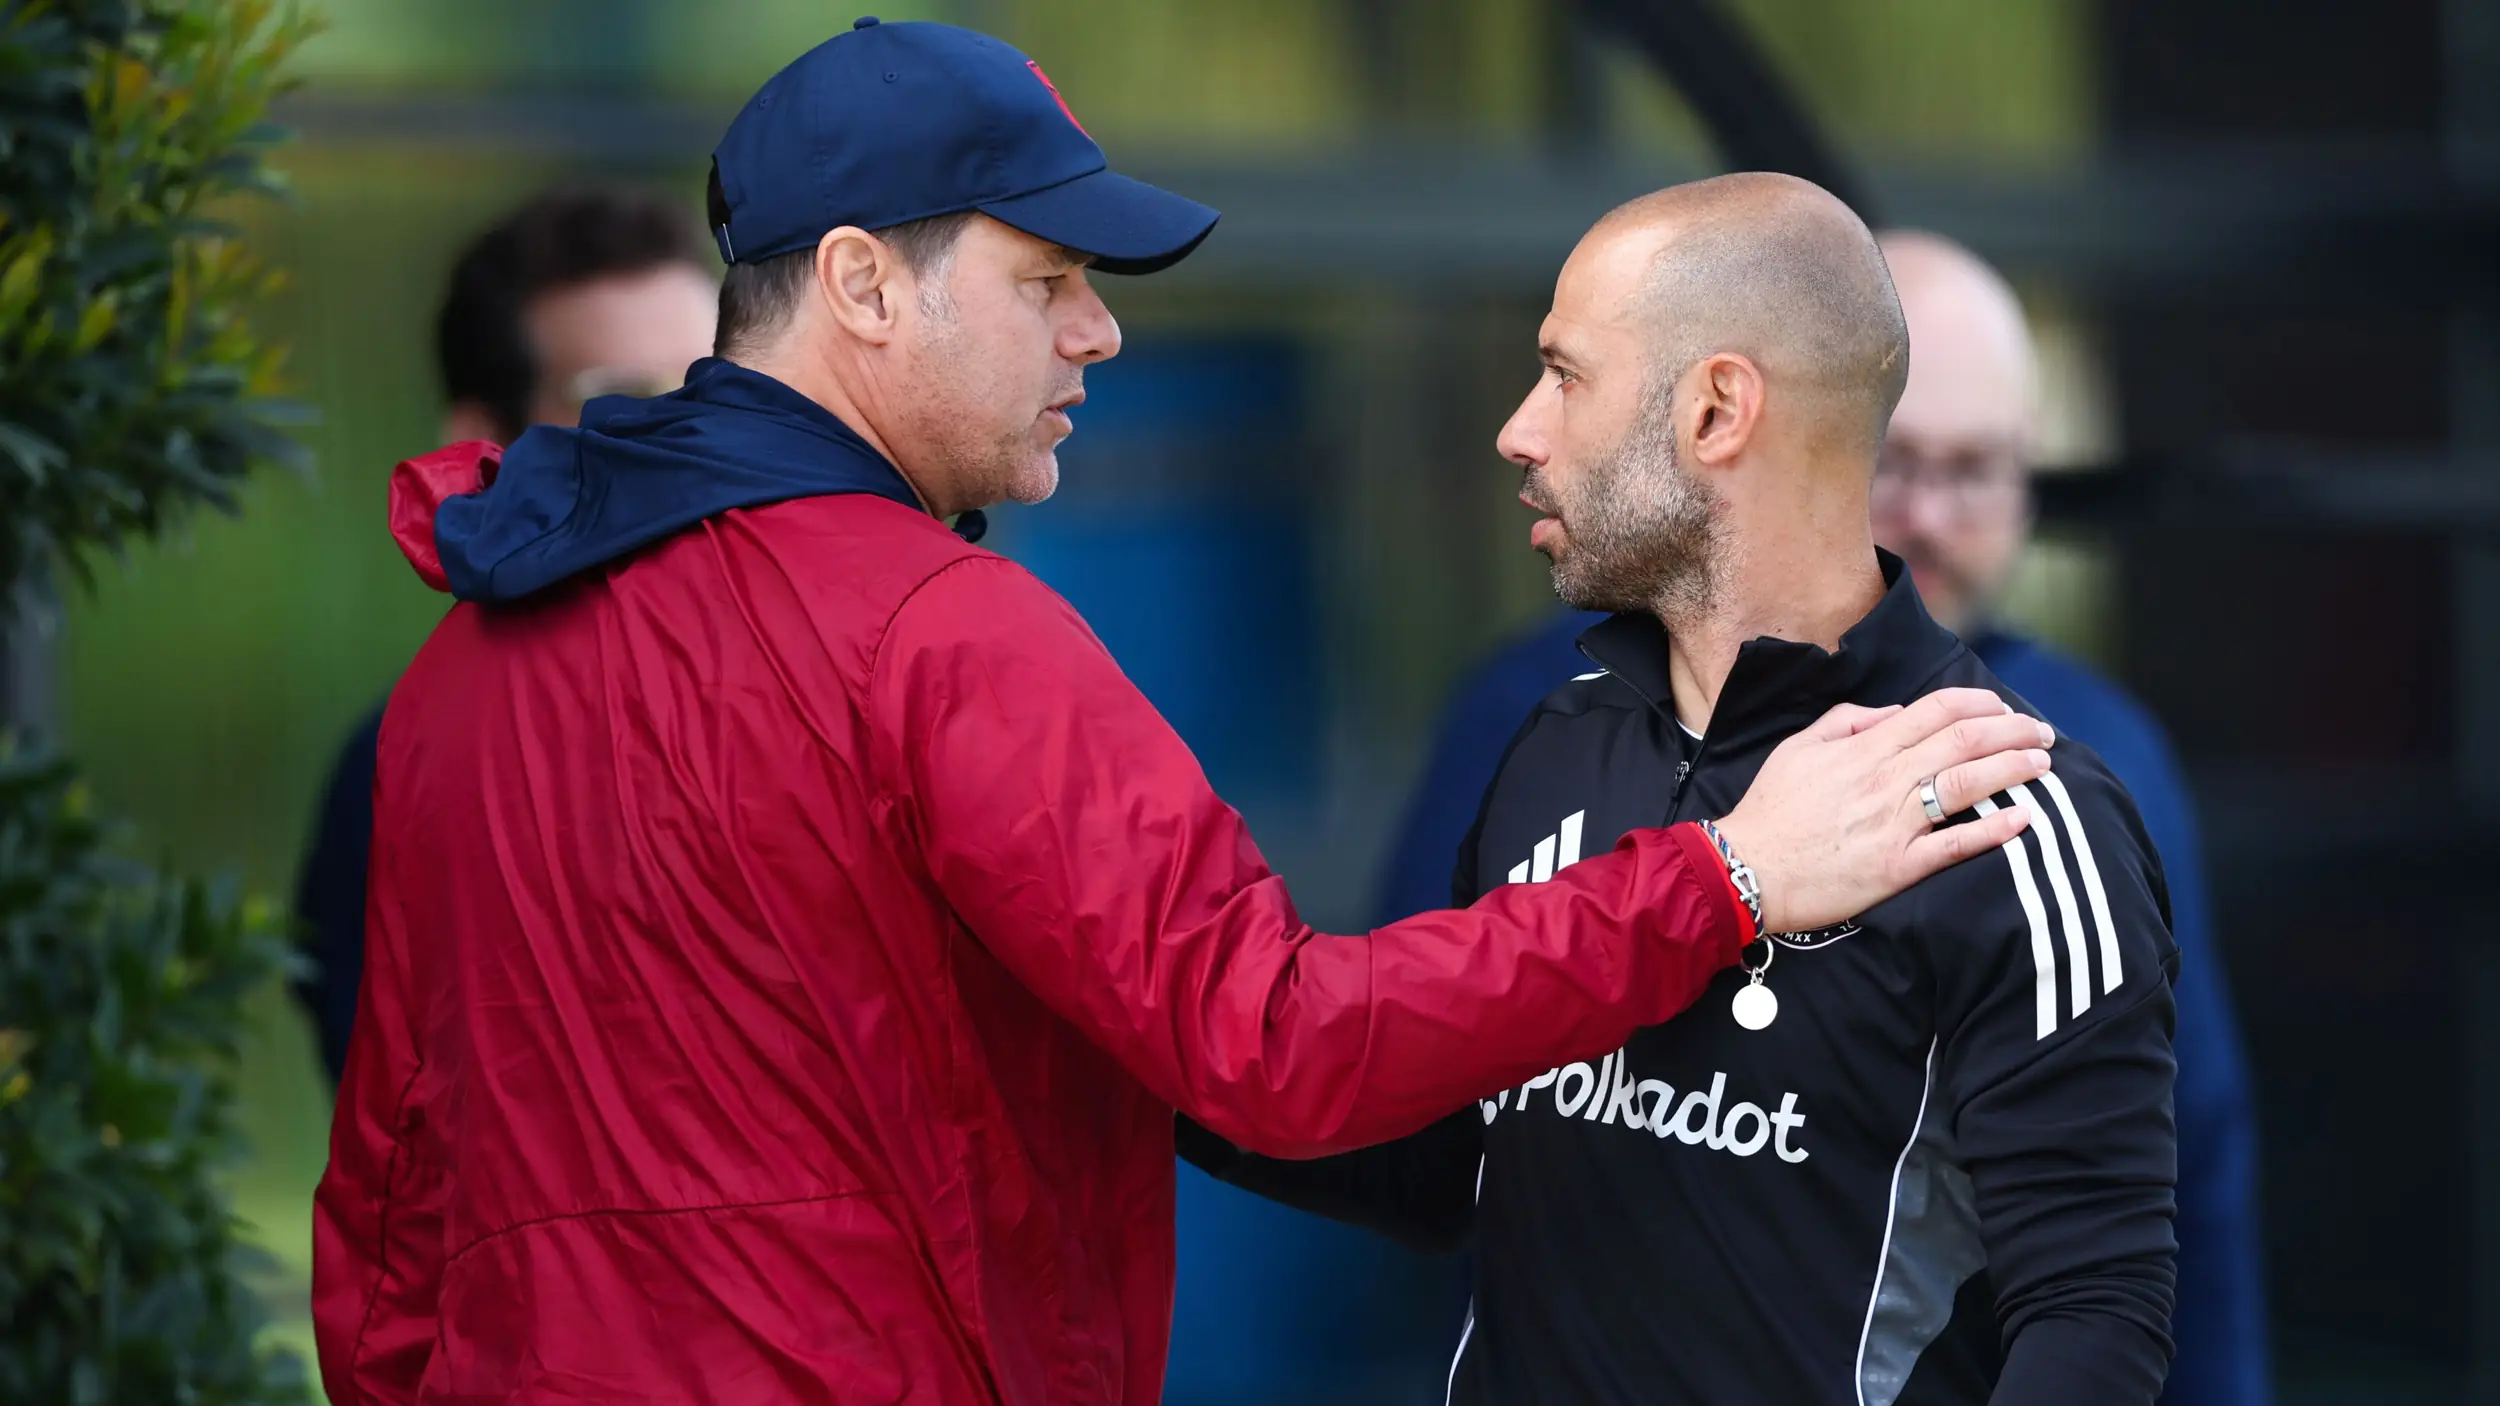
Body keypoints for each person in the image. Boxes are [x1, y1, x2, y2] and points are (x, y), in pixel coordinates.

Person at [309, 22, 2057, 1406]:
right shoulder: (944, 633)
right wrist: (1726, 880)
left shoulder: (458, 675)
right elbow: (1276, 1047)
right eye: (1045, 279)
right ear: (857, 284)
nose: (1097, 335)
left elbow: (385, 1199)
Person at [1187, 174, 2182, 1405]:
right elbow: (1446, 1161)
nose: (1519, 427)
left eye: (1565, 374)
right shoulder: (1556, 741)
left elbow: (2094, 1318)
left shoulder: (2017, 814)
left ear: (1717, 410)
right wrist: (1141, 1045)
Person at [1872, 230, 2268, 1406]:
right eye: (1890, 463)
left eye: (1977, 469)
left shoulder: (2102, 750)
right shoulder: (1596, 711)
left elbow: (2189, 1150)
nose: (1931, 515)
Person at [292, 184, 718, 1082]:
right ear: (483, 447)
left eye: (716, 385)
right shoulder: (411, 767)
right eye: (623, 400)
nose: (691, 437)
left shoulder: (844, 686)